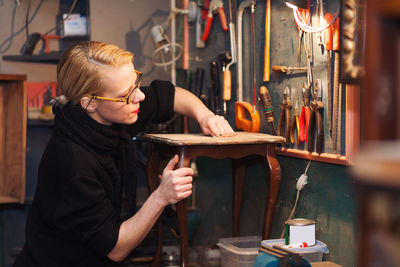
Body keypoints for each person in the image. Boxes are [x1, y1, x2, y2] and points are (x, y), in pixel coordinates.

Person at [13, 41, 235, 267]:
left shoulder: (116, 110)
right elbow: (116, 249)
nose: (140, 96)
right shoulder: (73, 165)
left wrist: (206, 116)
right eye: (126, 94)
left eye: (136, 83)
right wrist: (161, 196)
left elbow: (172, 96)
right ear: (89, 103)